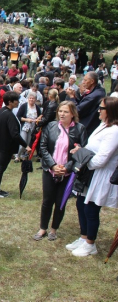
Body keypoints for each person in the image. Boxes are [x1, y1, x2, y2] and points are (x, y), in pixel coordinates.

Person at [67, 97, 118, 256]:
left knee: (91, 208)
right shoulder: (103, 125)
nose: (98, 111)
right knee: (81, 204)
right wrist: (81, 151)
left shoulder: (114, 131)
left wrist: (83, 160)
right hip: (89, 172)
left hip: (100, 174)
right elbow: (91, 147)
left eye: (101, 108)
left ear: (109, 111)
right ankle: (84, 237)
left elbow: (102, 158)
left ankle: (90, 243)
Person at [35, 101, 87, 241]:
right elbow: (43, 147)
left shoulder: (79, 129)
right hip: (50, 170)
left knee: (60, 202)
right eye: (60, 111)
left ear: (73, 114)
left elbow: (81, 153)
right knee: (47, 201)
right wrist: (53, 165)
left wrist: (67, 167)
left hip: (67, 173)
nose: (62, 114)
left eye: (66, 112)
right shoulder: (51, 126)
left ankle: (53, 229)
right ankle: (42, 228)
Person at [0, 91, 31, 198]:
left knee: (0, 167)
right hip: (6, 146)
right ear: (10, 102)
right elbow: (15, 134)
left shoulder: (2, 111)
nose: (18, 102)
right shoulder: (9, 115)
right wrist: (26, 145)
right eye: (16, 100)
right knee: (0, 168)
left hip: (1, 144)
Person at [16, 91, 42, 161]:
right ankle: (17, 156)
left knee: (28, 142)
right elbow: (18, 116)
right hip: (25, 127)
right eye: (30, 98)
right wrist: (27, 120)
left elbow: (40, 116)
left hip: (33, 128)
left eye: (33, 98)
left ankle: (24, 155)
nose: (31, 100)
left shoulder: (37, 107)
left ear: (35, 100)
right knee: (23, 141)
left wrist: (37, 120)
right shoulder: (24, 106)